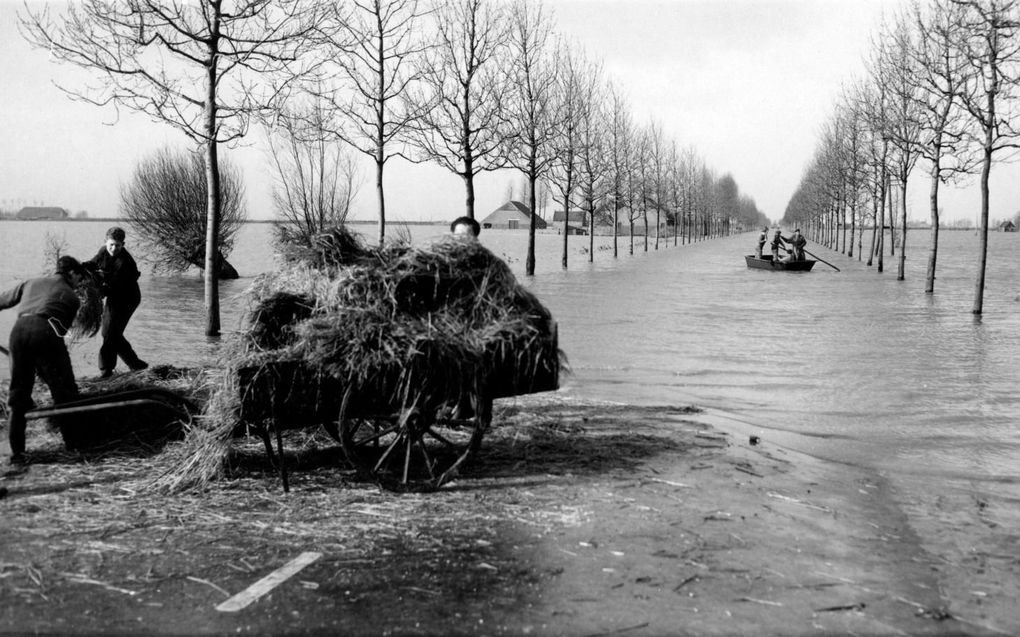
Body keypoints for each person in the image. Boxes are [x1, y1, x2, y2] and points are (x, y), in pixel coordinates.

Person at [0, 255, 86, 466]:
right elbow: (60, 335)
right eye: (79, 279)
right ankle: (73, 446)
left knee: (17, 397)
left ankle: (17, 454)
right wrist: (48, 370)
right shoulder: (72, 298)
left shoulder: (32, 282)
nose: (79, 284)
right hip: (47, 331)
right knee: (64, 391)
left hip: (18, 331)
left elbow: (2, 300)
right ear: (72, 274)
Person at [86, 226, 147, 378]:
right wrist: (79, 268)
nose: (113, 248)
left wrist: (96, 293)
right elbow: (93, 264)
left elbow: (112, 287)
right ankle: (136, 365)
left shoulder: (125, 262)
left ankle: (106, 370)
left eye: (118, 245)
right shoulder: (103, 251)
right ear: (105, 242)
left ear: (123, 245)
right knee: (112, 333)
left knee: (109, 332)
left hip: (128, 298)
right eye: (111, 244)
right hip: (114, 295)